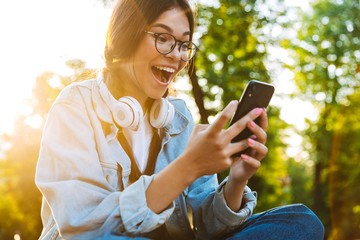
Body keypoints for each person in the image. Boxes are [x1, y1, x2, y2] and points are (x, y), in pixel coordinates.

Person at [35, 0, 325, 239]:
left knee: (301, 221)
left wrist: (237, 180)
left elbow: (208, 227)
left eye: (185, 45)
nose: (177, 55)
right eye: (163, 38)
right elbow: (83, 228)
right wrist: (188, 167)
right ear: (126, 36)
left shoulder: (179, 117)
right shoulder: (76, 106)